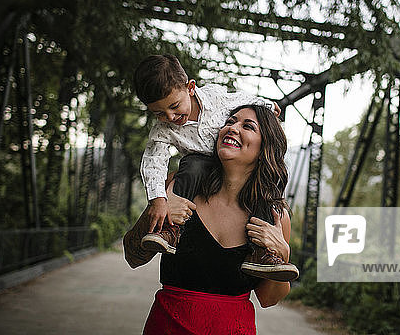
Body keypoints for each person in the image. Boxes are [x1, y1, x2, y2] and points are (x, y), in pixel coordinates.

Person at [123, 105, 295, 334]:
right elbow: (133, 256)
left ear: (266, 146)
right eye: (230, 122)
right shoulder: (179, 187)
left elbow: (268, 299)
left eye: (247, 126)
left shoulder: (275, 216)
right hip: (168, 327)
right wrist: (156, 213)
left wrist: (283, 254)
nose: (232, 128)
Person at [133, 54, 298, 281]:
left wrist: (267, 105)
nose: (170, 117)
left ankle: (263, 254)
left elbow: (241, 98)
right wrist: (159, 200)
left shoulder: (215, 97)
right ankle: (170, 231)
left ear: (191, 88)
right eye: (159, 113)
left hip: (235, 311)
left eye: (174, 106)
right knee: (191, 163)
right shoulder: (172, 177)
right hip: (198, 171)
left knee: (263, 202)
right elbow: (153, 161)